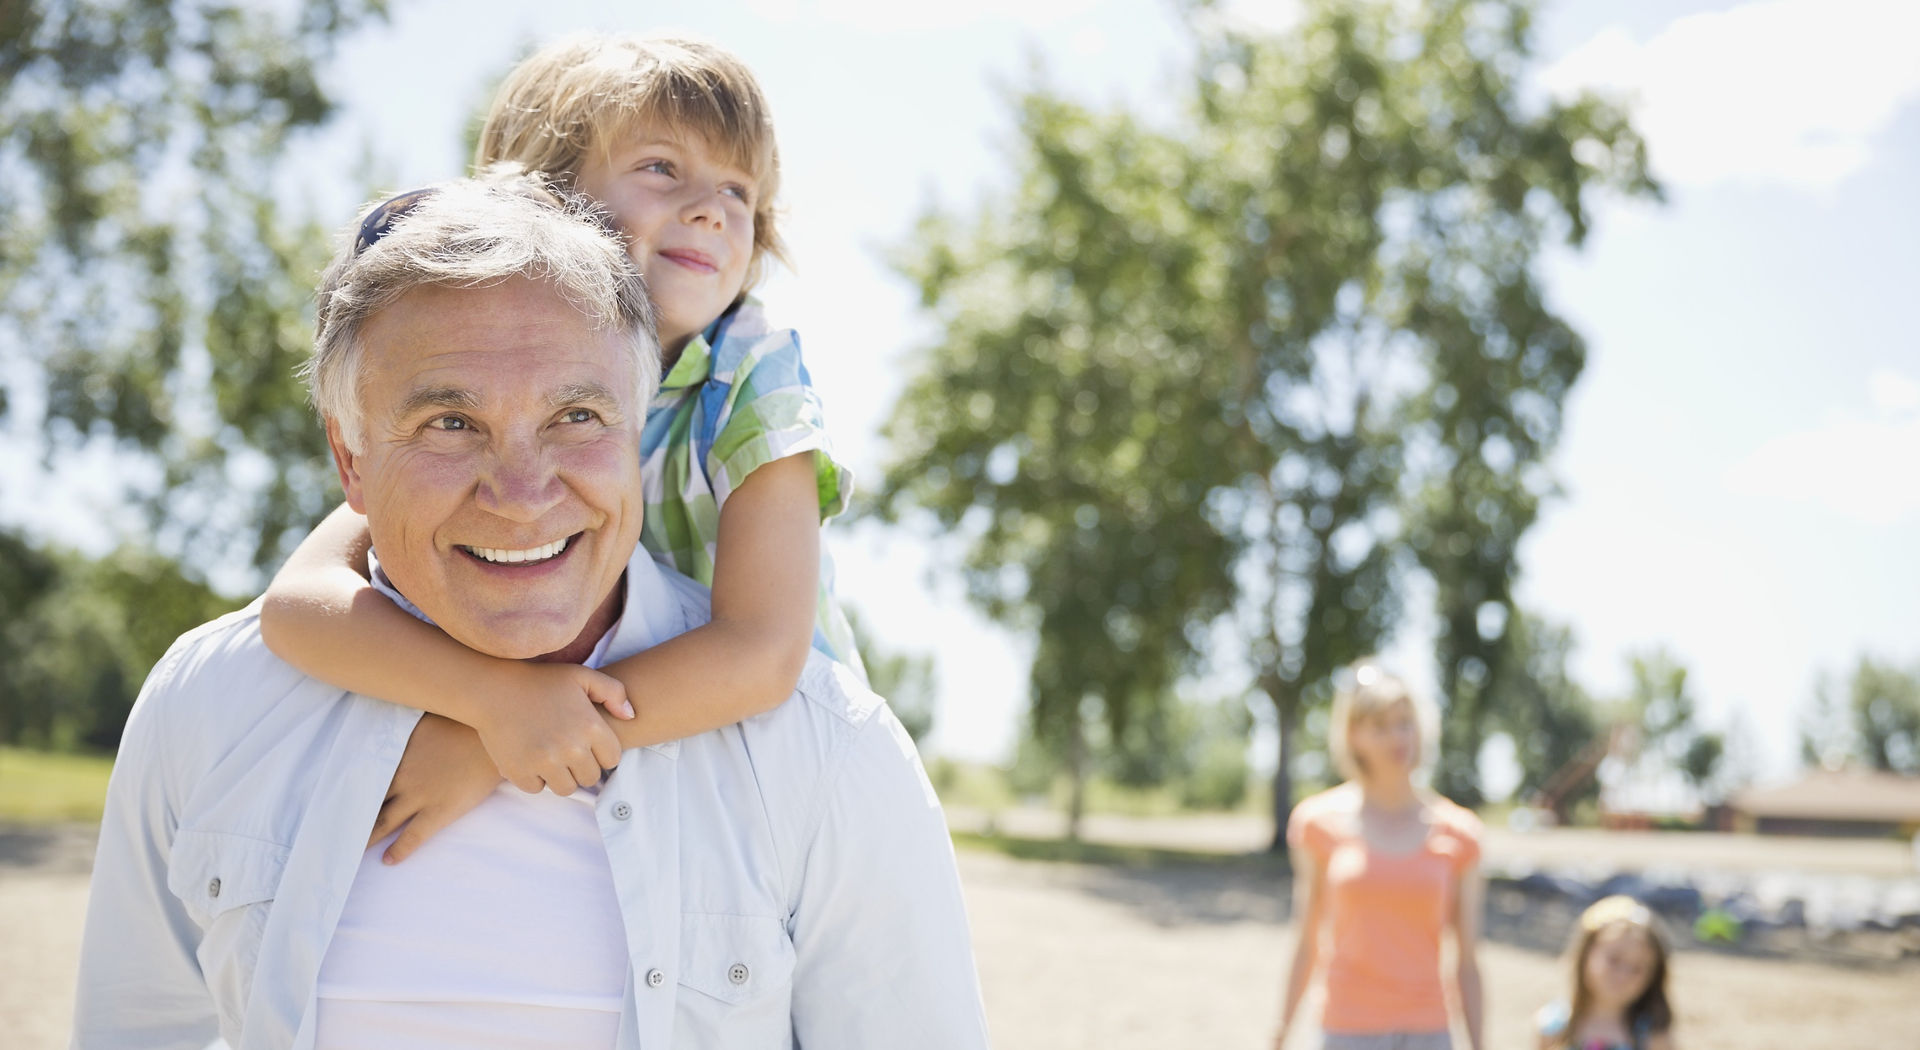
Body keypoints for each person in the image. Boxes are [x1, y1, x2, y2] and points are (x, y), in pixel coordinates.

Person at [71, 172, 989, 1049]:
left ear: (638, 432)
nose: (519, 493)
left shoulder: (827, 755)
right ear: (350, 459)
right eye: (450, 423)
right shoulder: (211, 706)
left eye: (577, 417)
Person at [257, 33, 863, 862]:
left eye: (739, 190)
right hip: (612, 731)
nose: (711, 209)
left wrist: (494, 736)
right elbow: (301, 607)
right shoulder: (479, 379)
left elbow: (760, 653)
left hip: (773, 767)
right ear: (543, 197)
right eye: (662, 168)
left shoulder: (752, 372)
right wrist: (492, 697)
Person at [1273, 662, 1486, 1050]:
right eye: (1380, 726)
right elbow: (1306, 941)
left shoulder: (1460, 832)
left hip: (1429, 1030)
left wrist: (1479, 1044)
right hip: (1346, 1029)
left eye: (1404, 722)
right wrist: (1280, 1032)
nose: (1397, 736)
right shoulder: (1317, 823)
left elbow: (1468, 960)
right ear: (1353, 736)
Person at [1535, 895, 1676, 1050]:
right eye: (1614, 960)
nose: (1623, 975)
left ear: (1653, 976)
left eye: (1637, 968)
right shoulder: (1554, 1023)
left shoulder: (1654, 1035)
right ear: (1586, 953)